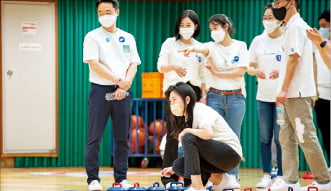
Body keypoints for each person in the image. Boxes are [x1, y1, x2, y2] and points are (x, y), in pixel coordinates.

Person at [180, 14, 249, 188]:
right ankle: (215, 176)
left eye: (216, 28)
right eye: (211, 29)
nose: (213, 32)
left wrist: (217, 73)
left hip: (236, 97)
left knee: (233, 136)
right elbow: (202, 48)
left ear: (226, 27)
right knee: (213, 137)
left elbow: (240, 71)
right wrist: (193, 50)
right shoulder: (211, 46)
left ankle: (232, 176)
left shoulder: (240, 46)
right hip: (215, 97)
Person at [270, 0, 331, 190]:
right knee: (286, 138)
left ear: (291, 3)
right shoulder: (289, 27)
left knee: (306, 137)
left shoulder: (297, 26)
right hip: (289, 94)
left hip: (297, 93)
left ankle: (324, 181)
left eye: (278, 2)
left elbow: (294, 58)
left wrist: (284, 89)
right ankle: (290, 181)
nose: (274, 5)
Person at [83, 0, 141, 190]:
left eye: (108, 11)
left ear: (117, 12)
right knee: (95, 137)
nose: (104, 15)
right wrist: (118, 81)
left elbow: (134, 63)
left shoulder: (128, 37)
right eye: (100, 12)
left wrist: (125, 85)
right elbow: (94, 63)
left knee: (122, 137)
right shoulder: (92, 36)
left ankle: (121, 178)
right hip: (100, 90)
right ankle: (93, 179)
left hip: (124, 91)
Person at [160, 82, 242, 191]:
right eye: (170, 101)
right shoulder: (186, 117)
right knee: (179, 166)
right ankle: (222, 181)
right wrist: (173, 168)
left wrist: (187, 130)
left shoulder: (199, 109)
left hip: (230, 155)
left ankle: (197, 187)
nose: (172, 104)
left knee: (188, 137)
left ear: (187, 100)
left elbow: (208, 133)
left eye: (174, 100)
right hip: (215, 157)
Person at [157, 10, 206, 187]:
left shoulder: (200, 47)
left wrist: (204, 96)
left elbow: (203, 74)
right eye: (182, 25)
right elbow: (160, 66)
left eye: (189, 25)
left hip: (193, 92)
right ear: (178, 26)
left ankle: (189, 177)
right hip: (174, 92)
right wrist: (174, 67)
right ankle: (168, 177)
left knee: (191, 135)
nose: (185, 28)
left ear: (196, 27)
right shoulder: (170, 44)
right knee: (173, 134)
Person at [247, 3, 283, 188]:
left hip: (282, 98)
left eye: (271, 17)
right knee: (265, 138)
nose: (267, 21)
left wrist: (281, 71)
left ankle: (282, 176)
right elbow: (249, 66)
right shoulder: (258, 41)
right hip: (263, 97)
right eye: (265, 18)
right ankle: (267, 174)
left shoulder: (286, 39)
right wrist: (255, 71)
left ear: (279, 19)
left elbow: (295, 64)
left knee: (281, 138)